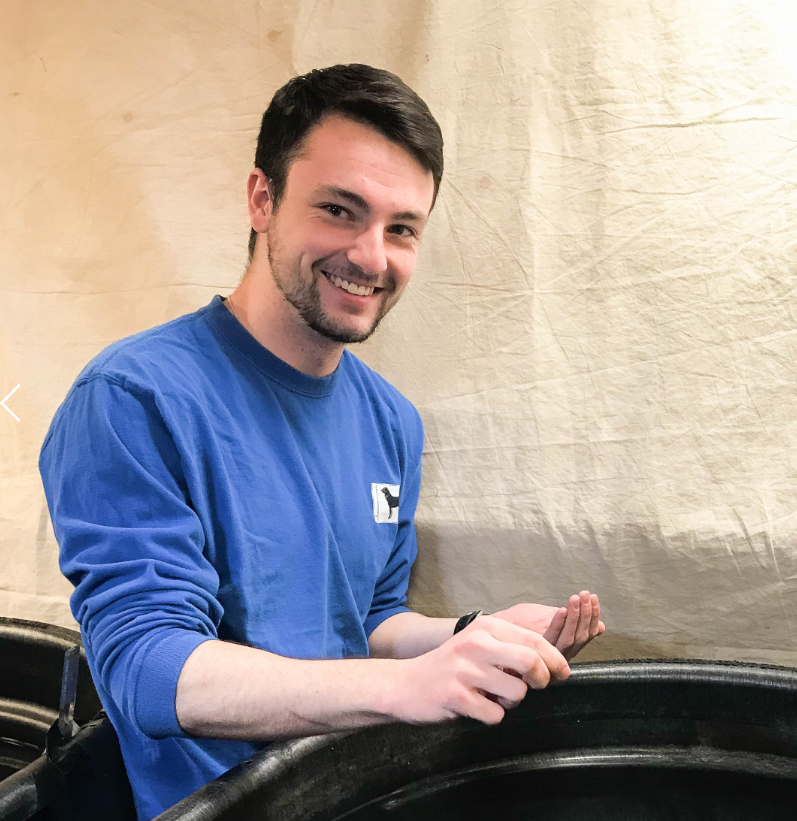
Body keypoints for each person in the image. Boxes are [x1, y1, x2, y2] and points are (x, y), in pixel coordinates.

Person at [38, 64, 605, 820]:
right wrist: (408, 689)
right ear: (261, 199)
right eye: (340, 210)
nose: (372, 256)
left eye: (401, 228)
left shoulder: (391, 420)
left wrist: (472, 634)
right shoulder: (134, 397)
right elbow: (147, 669)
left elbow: (367, 622)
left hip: (357, 790)